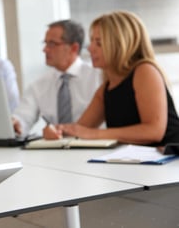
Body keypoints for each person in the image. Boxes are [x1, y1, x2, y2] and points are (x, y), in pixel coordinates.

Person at [48, 10, 179, 146]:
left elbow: (153, 132)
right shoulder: (106, 87)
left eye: (98, 43)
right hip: (136, 161)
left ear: (120, 45)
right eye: (92, 41)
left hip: (168, 159)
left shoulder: (144, 71)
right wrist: (58, 131)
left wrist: (93, 134)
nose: (90, 48)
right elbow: (80, 129)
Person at [12, 19, 101, 137]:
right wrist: (16, 124)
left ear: (74, 48)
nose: (45, 49)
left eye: (52, 44)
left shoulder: (98, 77)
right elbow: (23, 117)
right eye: (45, 43)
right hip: (55, 150)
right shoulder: (39, 85)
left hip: (94, 146)